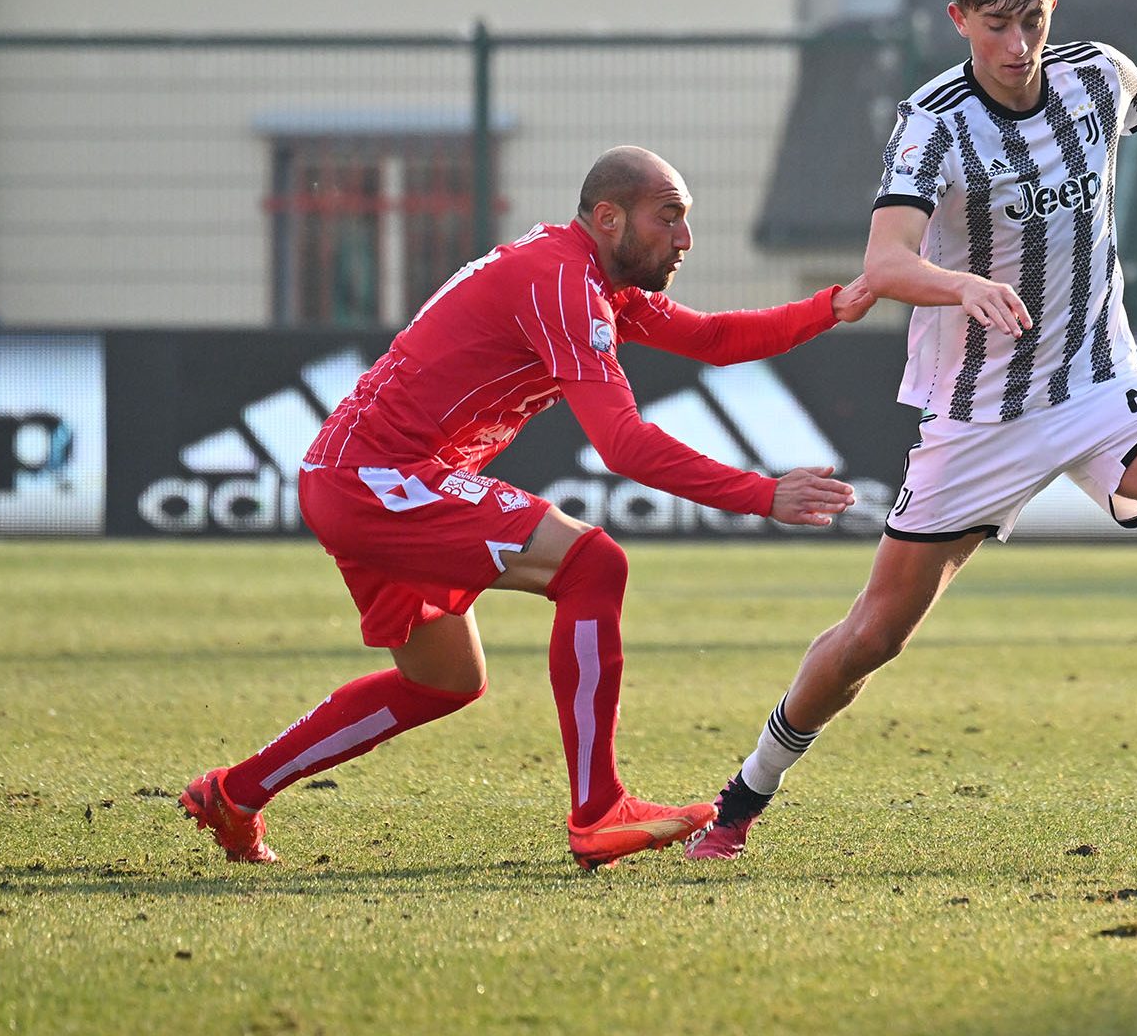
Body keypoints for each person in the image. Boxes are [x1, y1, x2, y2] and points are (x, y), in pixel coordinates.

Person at [685, 0, 1137, 860]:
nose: (1019, 48)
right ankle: (743, 797)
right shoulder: (932, 123)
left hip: (1099, 381)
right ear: (958, 21)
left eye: (1033, 21)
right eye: (996, 26)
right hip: (980, 417)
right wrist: (963, 285)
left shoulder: (1096, 75)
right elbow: (886, 262)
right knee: (872, 639)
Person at [179, 146, 874, 870]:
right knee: (592, 566)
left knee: (444, 680)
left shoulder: (588, 277)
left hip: (359, 477)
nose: (684, 239)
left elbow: (713, 340)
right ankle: (599, 811)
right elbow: (623, 445)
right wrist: (762, 493)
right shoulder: (563, 284)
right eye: (669, 218)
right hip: (377, 478)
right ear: (609, 218)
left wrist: (833, 306)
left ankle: (237, 794)